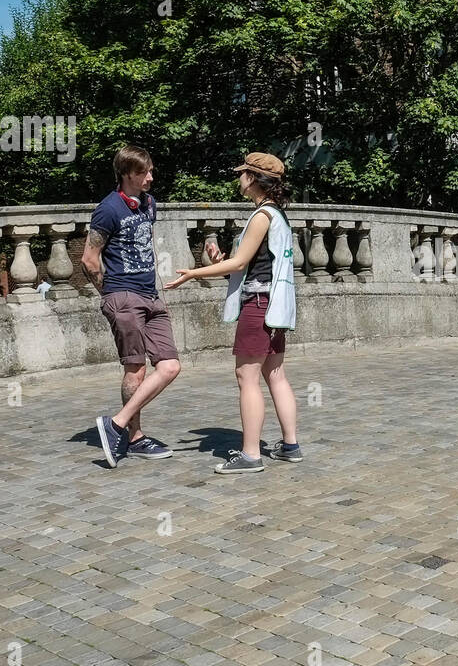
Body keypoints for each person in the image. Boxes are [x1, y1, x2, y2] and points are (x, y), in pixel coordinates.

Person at [164, 152, 301, 474]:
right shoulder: (277, 214)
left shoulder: (261, 216)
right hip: (276, 306)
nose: (239, 178)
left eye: (243, 174)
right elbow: (249, 264)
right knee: (275, 375)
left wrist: (194, 274)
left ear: (254, 178)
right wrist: (217, 261)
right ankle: (290, 444)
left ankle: (251, 454)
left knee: (246, 377)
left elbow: (240, 264)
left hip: (258, 306)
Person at [82, 145, 182, 468]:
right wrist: (109, 294)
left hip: (151, 295)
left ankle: (115, 425)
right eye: (144, 172)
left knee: (170, 366)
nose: (151, 177)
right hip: (123, 295)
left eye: (151, 170)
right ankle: (135, 437)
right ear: (127, 174)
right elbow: (89, 260)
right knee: (135, 369)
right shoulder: (108, 210)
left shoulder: (149, 204)